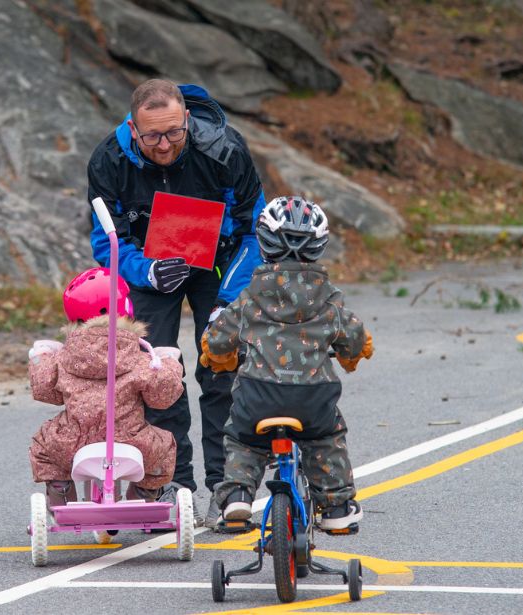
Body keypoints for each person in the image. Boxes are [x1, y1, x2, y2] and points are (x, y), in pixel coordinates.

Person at [86, 79, 267, 527]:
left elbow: (255, 231)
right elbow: (105, 238)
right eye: (151, 137)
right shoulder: (108, 160)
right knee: (157, 374)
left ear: (187, 120)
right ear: (133, 127)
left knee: (220, 368)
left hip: (220, 264)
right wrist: (144, 270)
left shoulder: (226, 152)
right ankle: (172, 485)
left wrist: (228, 302)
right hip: (150, 265)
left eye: (173, 133)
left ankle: (229, 489)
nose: (164, 146)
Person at [200, 196, 373, 532]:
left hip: (257, 395)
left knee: (242, 438)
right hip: (313, 399)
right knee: (327, 438)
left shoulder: (249, 296)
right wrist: (352, 356)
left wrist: (221, 359)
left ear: (263, 244)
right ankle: (337, 507)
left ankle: (237, 494)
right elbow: (354, 339)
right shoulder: (329, 298)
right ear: (320, 246)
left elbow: (218, 340)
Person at [28, 267, 184, 508]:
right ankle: (144, 492)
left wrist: (42, 356)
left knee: (44, 444)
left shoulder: (65, 357)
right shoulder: (138, 357)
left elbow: (45, 391)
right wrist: (168, 362)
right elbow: (162, 397)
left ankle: (59, 488)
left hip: (72, 443)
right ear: (126, 310)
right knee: (164, 446)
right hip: (132, 444)